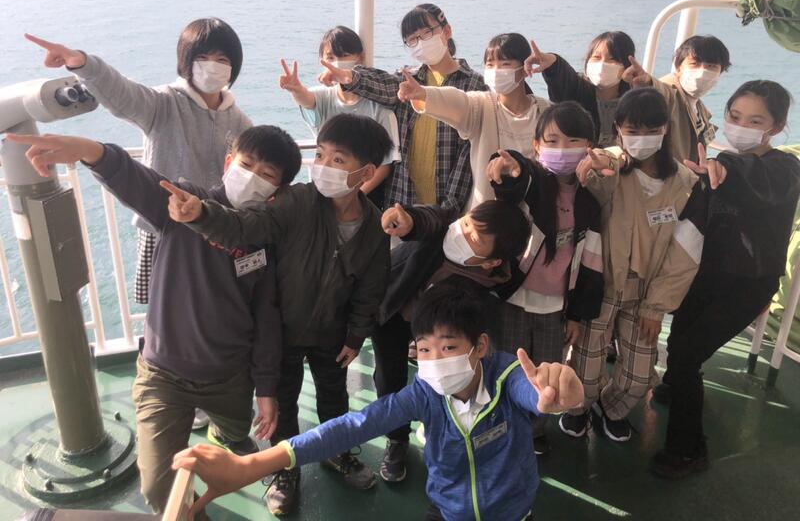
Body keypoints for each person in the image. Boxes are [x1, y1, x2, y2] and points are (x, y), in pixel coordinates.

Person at [7, 125, 301, 515]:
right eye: (246, 165)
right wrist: (90, 149)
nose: (251, 178)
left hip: (230, 374)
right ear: (228, 162)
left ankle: (228, 433)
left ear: (277, 191)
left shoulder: (265, 238)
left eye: (266, 175)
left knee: (237, 430)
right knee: (159, 487)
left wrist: (265, 387)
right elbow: (138, 181)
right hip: (164, 376)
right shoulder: (184, 203)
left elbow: (267, 316)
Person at [172, 281, 585, 521]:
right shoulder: (424, 393)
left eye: (448, 347)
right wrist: (253, 465)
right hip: (446, 512)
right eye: (424, 349)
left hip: (512, 514)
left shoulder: (507, 376)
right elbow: (355, 426)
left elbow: (538, 393)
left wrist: (563, 394)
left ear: (480, 346)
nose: (434, 361)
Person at [161, 113, 392, 516]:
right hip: (281, 331)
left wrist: (356, 335)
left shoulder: (373, 226)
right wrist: (202, 215)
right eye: (320, 155)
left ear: (367, 173)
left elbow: (371, 288)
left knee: (333, 398)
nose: (323, 166)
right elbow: (245, 227)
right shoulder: (297, 202)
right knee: (283, 404)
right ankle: (285, 470)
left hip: (333, 333)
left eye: (338, 160)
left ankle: (334, 450)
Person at [24, 21, 252, 312]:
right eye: (203, 57)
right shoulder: (164, 103)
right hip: (163, 227)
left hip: (213, 227)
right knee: (166, 308)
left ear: (233, 68)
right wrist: (82, 63)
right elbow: (122, 93)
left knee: (210, 305)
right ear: (186, 61)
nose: (212, 66)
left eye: (222, 59)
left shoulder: (239, 121)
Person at [650, 80, 800, 478]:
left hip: (748, 285)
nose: (741, 126)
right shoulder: (720, 165)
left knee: (686, 353)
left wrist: (725, 167)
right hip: (707, 274)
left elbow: (757, 180)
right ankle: (678, 384)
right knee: (680, 336)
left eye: (755, 121)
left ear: (776, 127)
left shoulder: (784, 170)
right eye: (735, 116)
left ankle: (688, 450)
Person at [561, 87, 707, 442]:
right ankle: (578, 408)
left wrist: (656, 306)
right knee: (585, 368)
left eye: (651, 130)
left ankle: (610, 408)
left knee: (640, 377)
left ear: (665, 129)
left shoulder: (686, 184)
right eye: (632, 130)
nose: (641, 138)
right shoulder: (610, 173)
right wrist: (605, 161)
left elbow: (684, 255)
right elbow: (603, 166)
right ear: (619, 129)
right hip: (600, 286)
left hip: (645, 293)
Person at [374, 198, 531, 481]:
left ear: (492, 262)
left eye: (475, 238)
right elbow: (428, 218)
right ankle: (396, 439)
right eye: (468, 222)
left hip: (435, 335)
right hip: (393, 312)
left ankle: (440, 437)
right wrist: (409, 220)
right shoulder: (442, 228)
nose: (462, 232)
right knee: (388, 377)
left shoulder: (480, 289)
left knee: (439, 384)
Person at [486, 101, 604, 454]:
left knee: (547, 371)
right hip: (512, 300)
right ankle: (504, 427)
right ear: (536, 145)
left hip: (555, 308)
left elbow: (591, 263)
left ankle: (534, 430)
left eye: (573, 141)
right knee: (508, 367)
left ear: (590, 147)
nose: (562, 150)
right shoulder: (532, 186)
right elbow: (516, 178)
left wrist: (577, 315)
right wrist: (511, 166)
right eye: (552, 141)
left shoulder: (590, 202)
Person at [318, 3, 487, 212]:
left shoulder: (474, 84)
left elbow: (467, 153)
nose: (420, 43)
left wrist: (448, 209)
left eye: (426, 33)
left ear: (446, 31)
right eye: (412, 39)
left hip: (447, 208)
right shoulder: (408, 79)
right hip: (402, 202)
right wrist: (349, 77)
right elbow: (382, 84)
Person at [396, 32, 550, 208]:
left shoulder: (545, 110)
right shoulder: (482, 105)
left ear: (524, 68)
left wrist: (553, 63)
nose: (496, 70)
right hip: (487, 215)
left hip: (535, 214)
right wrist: (424, 93)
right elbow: (458, 101)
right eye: (490, 64)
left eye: (505, 64)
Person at [278, 25, 401, 207]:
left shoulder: (380, 108)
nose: (336, 63)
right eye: (330, 57)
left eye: (343, 55)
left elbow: (385, 165)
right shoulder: (322, 97)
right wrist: (295, 89)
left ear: (360, 57)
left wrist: (354, 196)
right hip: (326, 188)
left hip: (367, 195)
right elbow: (307, 99)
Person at [523, 31, 639, 147]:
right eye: (596, 57)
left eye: (612, 59)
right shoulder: (578, 89)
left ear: (627, 65)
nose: (603, 64)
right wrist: (552, 62)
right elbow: (563, 76)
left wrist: (643, 85)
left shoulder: (634, 98)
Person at [634, 35, 732, 164]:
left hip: (686, 174)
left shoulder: (700, 107)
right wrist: (647, 81)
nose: (702, 71)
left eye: (711, 66)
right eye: (695, 64)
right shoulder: (668, 92)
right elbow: (658, 92)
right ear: (678, 68)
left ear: (720, 72)